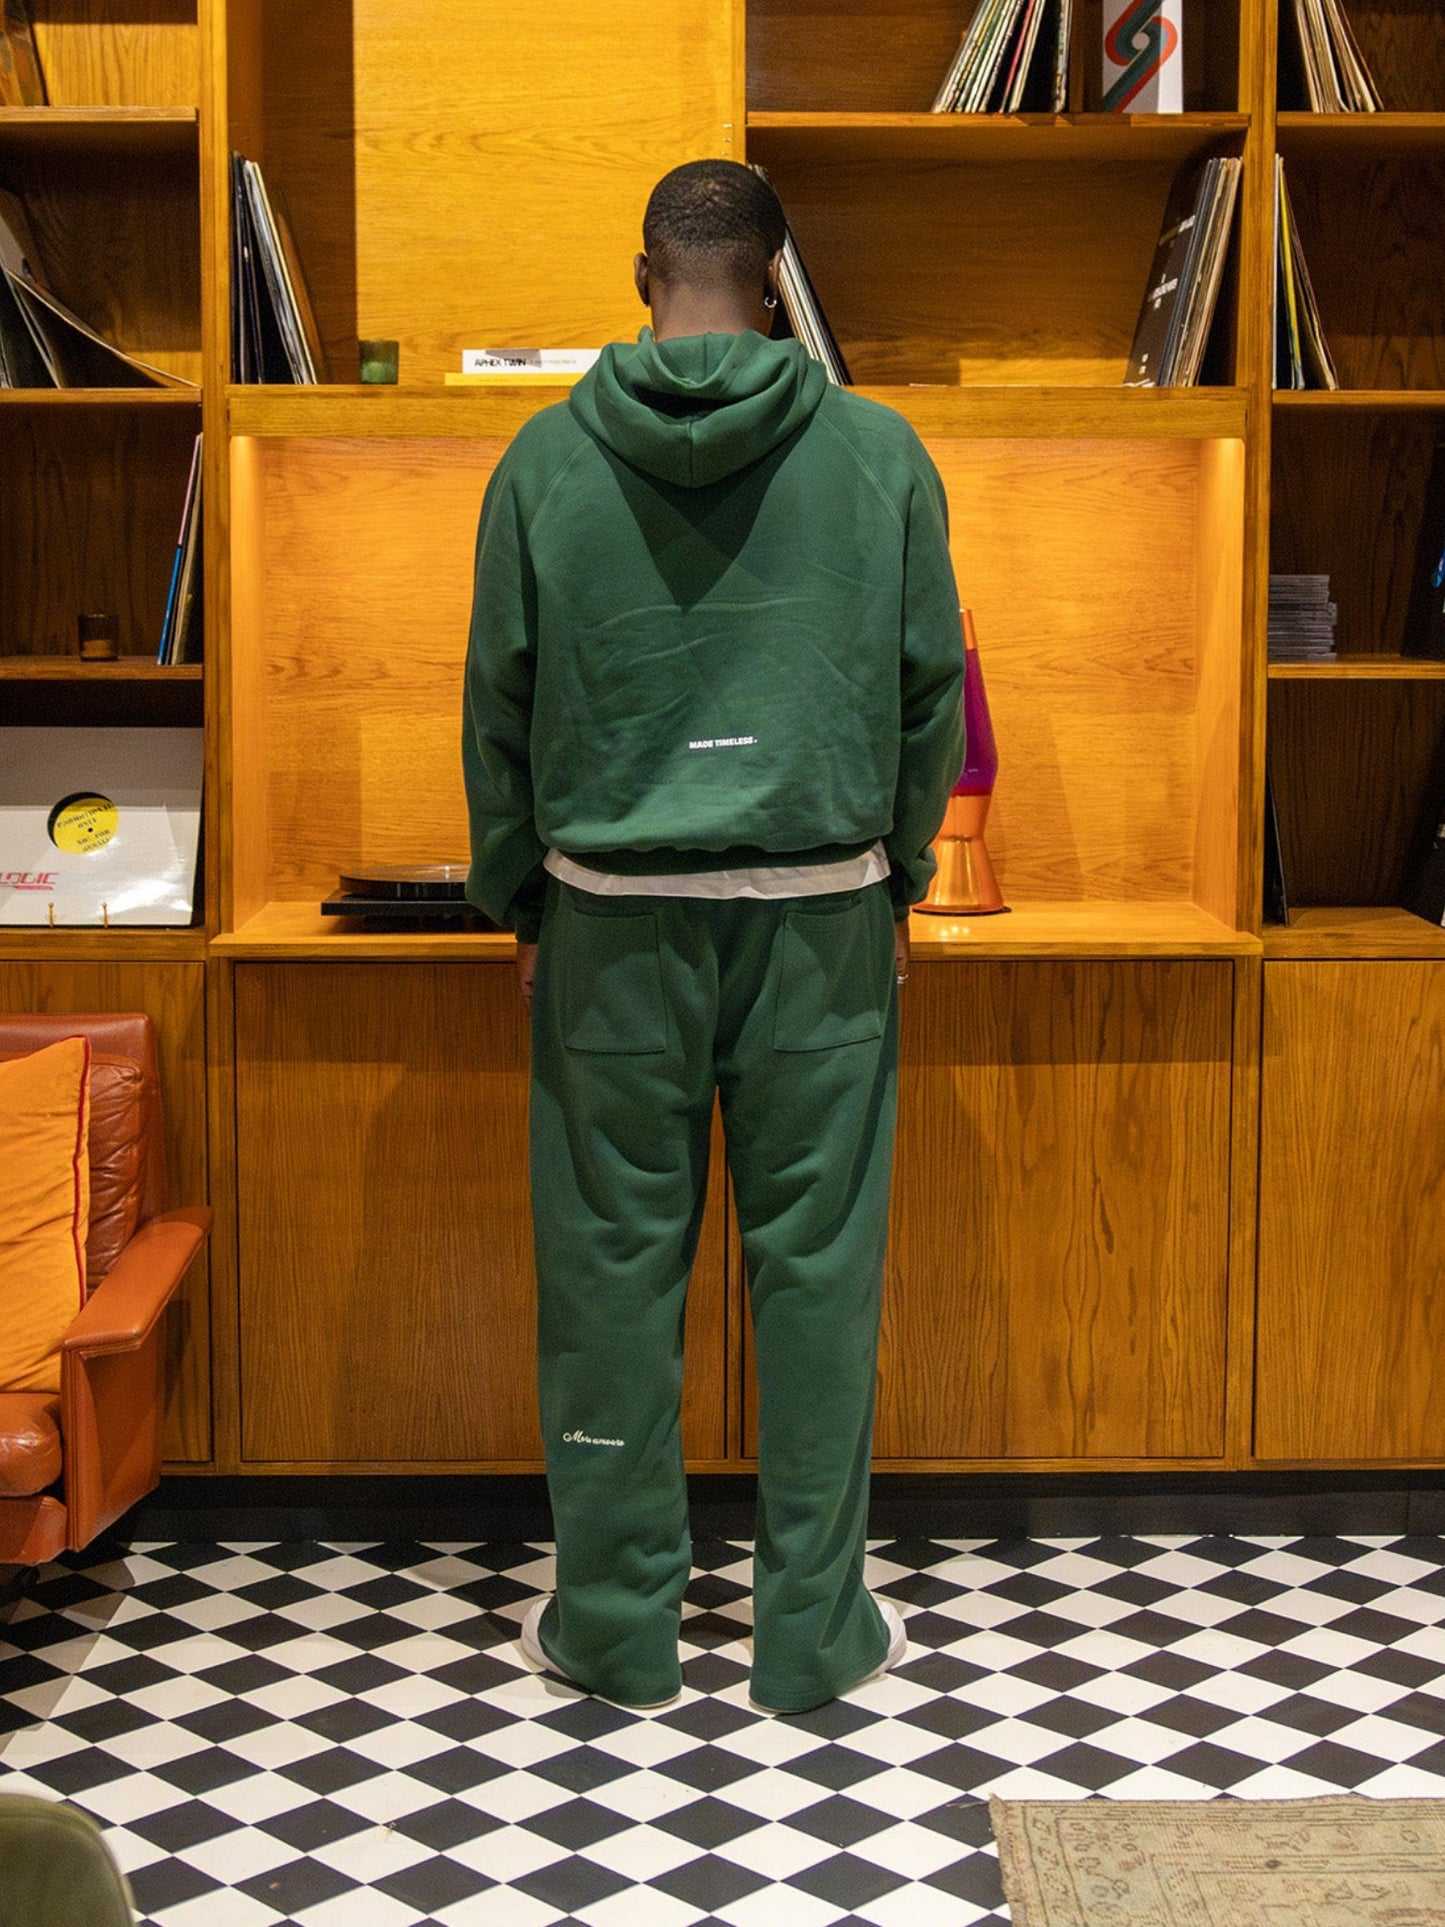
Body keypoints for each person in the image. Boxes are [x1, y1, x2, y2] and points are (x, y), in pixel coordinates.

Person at [462, 158, 964, 1714]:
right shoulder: (879, 455)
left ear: (640, 275)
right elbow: (927, 692)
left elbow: (499, 703)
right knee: (817, 1276)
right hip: (818, 921)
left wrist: (517, 899)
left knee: (610, 1275)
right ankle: (808, 1637)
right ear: (774, 279)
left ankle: (615, 1630)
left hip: (610, 932)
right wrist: (896, 880)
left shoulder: (543, 464)